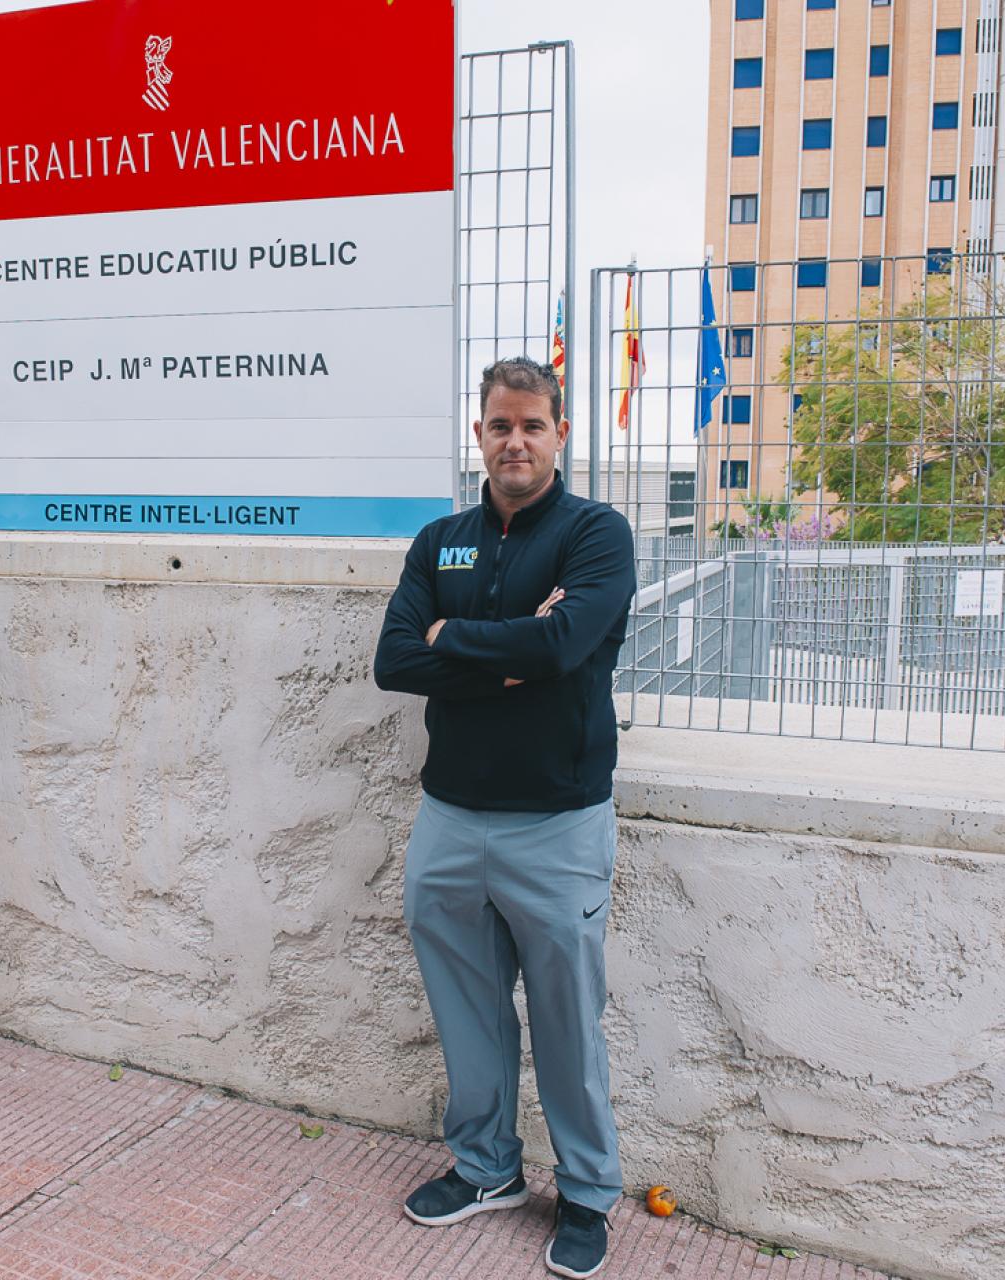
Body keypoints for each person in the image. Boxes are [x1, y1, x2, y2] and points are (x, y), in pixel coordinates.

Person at [374, 356, 637, 1279]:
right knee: (468, 1009)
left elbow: (567, 643)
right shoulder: (438, 538)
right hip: (450, 818)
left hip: (556, 825)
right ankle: (485, 1169)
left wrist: (461, 640)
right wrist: (504, 653)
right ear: (478, 436)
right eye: (498, 425)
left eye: (532, 424)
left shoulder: (597, 535)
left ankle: (588, 1192)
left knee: (568, 1017)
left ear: (560, 433)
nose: (514, 440)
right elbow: (396, 661)